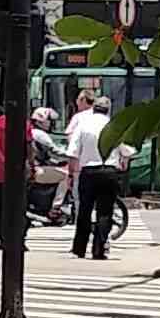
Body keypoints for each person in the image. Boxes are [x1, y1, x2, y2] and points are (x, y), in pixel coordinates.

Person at [64, 87, 121, 256]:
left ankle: (79, 248)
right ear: (108, 110)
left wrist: (71, 175)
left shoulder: (83, 125)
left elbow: (73, 153)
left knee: (84, 210)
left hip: (88, 172)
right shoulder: (115, 126)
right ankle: (99, 248)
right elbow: (127, 150)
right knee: (105, 211)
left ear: (94, 108)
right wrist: (122, 161)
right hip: (109, 171)